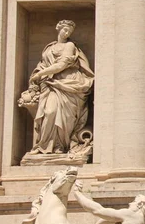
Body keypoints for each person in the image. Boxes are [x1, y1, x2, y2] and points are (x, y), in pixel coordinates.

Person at [24, 20, 94, 155]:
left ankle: (59, 146)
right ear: (58, 29)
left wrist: (41, 74)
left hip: (67, 83)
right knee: (48, 112)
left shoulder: (70, 45)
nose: (67, 33)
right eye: (65, 30)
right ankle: (43, 146)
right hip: (49, 84)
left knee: (56, 113)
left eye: (69, 31)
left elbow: (61, 65)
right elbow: (43, 63)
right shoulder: (49, 47)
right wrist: (39, 75)